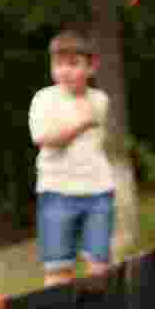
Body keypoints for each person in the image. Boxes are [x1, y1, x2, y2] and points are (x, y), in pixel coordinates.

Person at [28, 28, 115, 287]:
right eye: (58, 64)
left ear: (92, 66)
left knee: (99, 270)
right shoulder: (44, 99)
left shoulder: (99, 99)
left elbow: (80, 122)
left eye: (73, 64)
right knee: (58, 272)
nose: (64, 71)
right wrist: (81, 124)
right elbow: (44, 138)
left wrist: (74, 125)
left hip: (98, 192)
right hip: (57, 192)